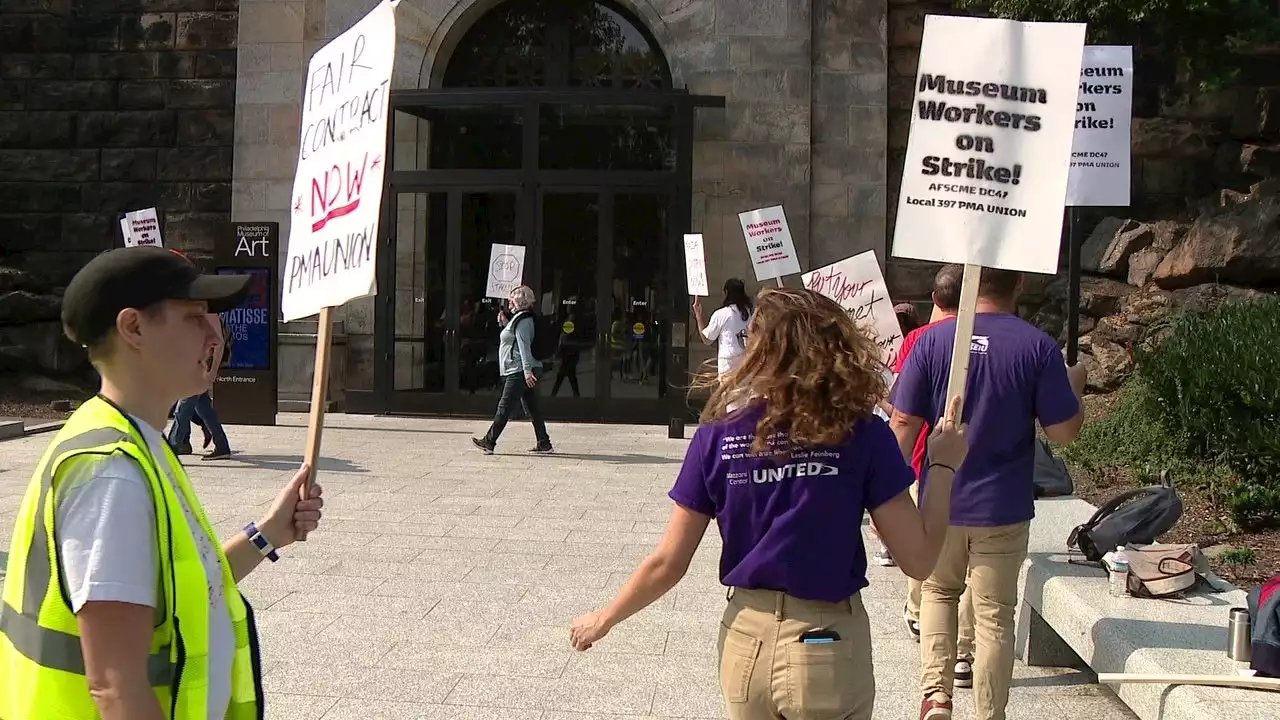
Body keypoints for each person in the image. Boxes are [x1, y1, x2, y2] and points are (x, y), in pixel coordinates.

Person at [568, 287, 970, 720]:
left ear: (757, 347)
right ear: (834, 346)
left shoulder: (717, 435)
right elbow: (919, 560)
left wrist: (604, 619)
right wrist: (942, 468)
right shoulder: (863, 434)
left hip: (746, 643)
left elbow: (668, 561)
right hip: (827, 641)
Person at [0, 246, 325, 720]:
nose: (216, 332)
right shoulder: (112, 473)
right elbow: (116, 686)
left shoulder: (138, 444)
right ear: (133, 328)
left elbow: (186, 591)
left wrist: (269, 534)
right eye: (195, 317)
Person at [889, 268, 1087, 720]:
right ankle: (990, 712)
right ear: (1019, 283)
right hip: (1003, 502)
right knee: (995, 615)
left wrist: (890, 498)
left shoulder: (933, 342)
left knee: (938, 593)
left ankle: (936, 697)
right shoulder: (1036, 346)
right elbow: (1063, 432)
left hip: (940, 497)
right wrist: (1075, 391)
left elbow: (902, 423)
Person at [887, 266, 977, 690]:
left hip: (927, 454)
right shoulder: (987, 340)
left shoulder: (918, 341)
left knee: (929, 540)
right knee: (976, 566)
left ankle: (917, 611)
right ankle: (963, 651)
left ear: (933, 297)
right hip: (981, 465)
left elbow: (902, 410)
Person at [472, 284, 554, 454]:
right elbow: (513, 341)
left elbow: (523, 347)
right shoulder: (518, 319)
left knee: (505, 405)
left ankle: (490, 441)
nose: (509, 300)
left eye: (511, 297)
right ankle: (544, 443)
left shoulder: (524, 320)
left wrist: (526, 371)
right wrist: (504, 323)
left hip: (519, 371)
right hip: (520, 369)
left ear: (518, 300)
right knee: (532, 407)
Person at [168, 311, 233, 459]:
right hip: (196, 364)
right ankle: (222, 445)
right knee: (203, 408)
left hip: (202, 366)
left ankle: (173, 444)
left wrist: (212, 371)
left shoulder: (208, 311)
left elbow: (219, 343)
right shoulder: (197, 309)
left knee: (183, 407)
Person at [692, 277, 752, 378]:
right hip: (746, 363)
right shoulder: (750, 313)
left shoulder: (722, 314)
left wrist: (698, 316)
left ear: (726, 293)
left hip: (728, 365)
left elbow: (707, 339)